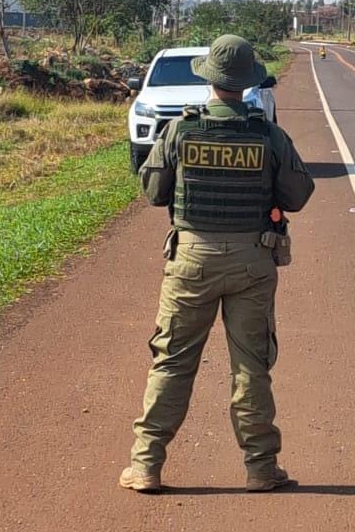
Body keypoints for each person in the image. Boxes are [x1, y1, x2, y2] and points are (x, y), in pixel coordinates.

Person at [120, 34, 315, 494]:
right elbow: (299, 195)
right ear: (248, 83)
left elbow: (153, 193)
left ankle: (146, 465)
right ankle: (261, 468)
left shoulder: (181, 130)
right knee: (251, 367)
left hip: (191, 259)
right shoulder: (268, 135)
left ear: (208, 78)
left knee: (172, 362)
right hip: (252, 259)